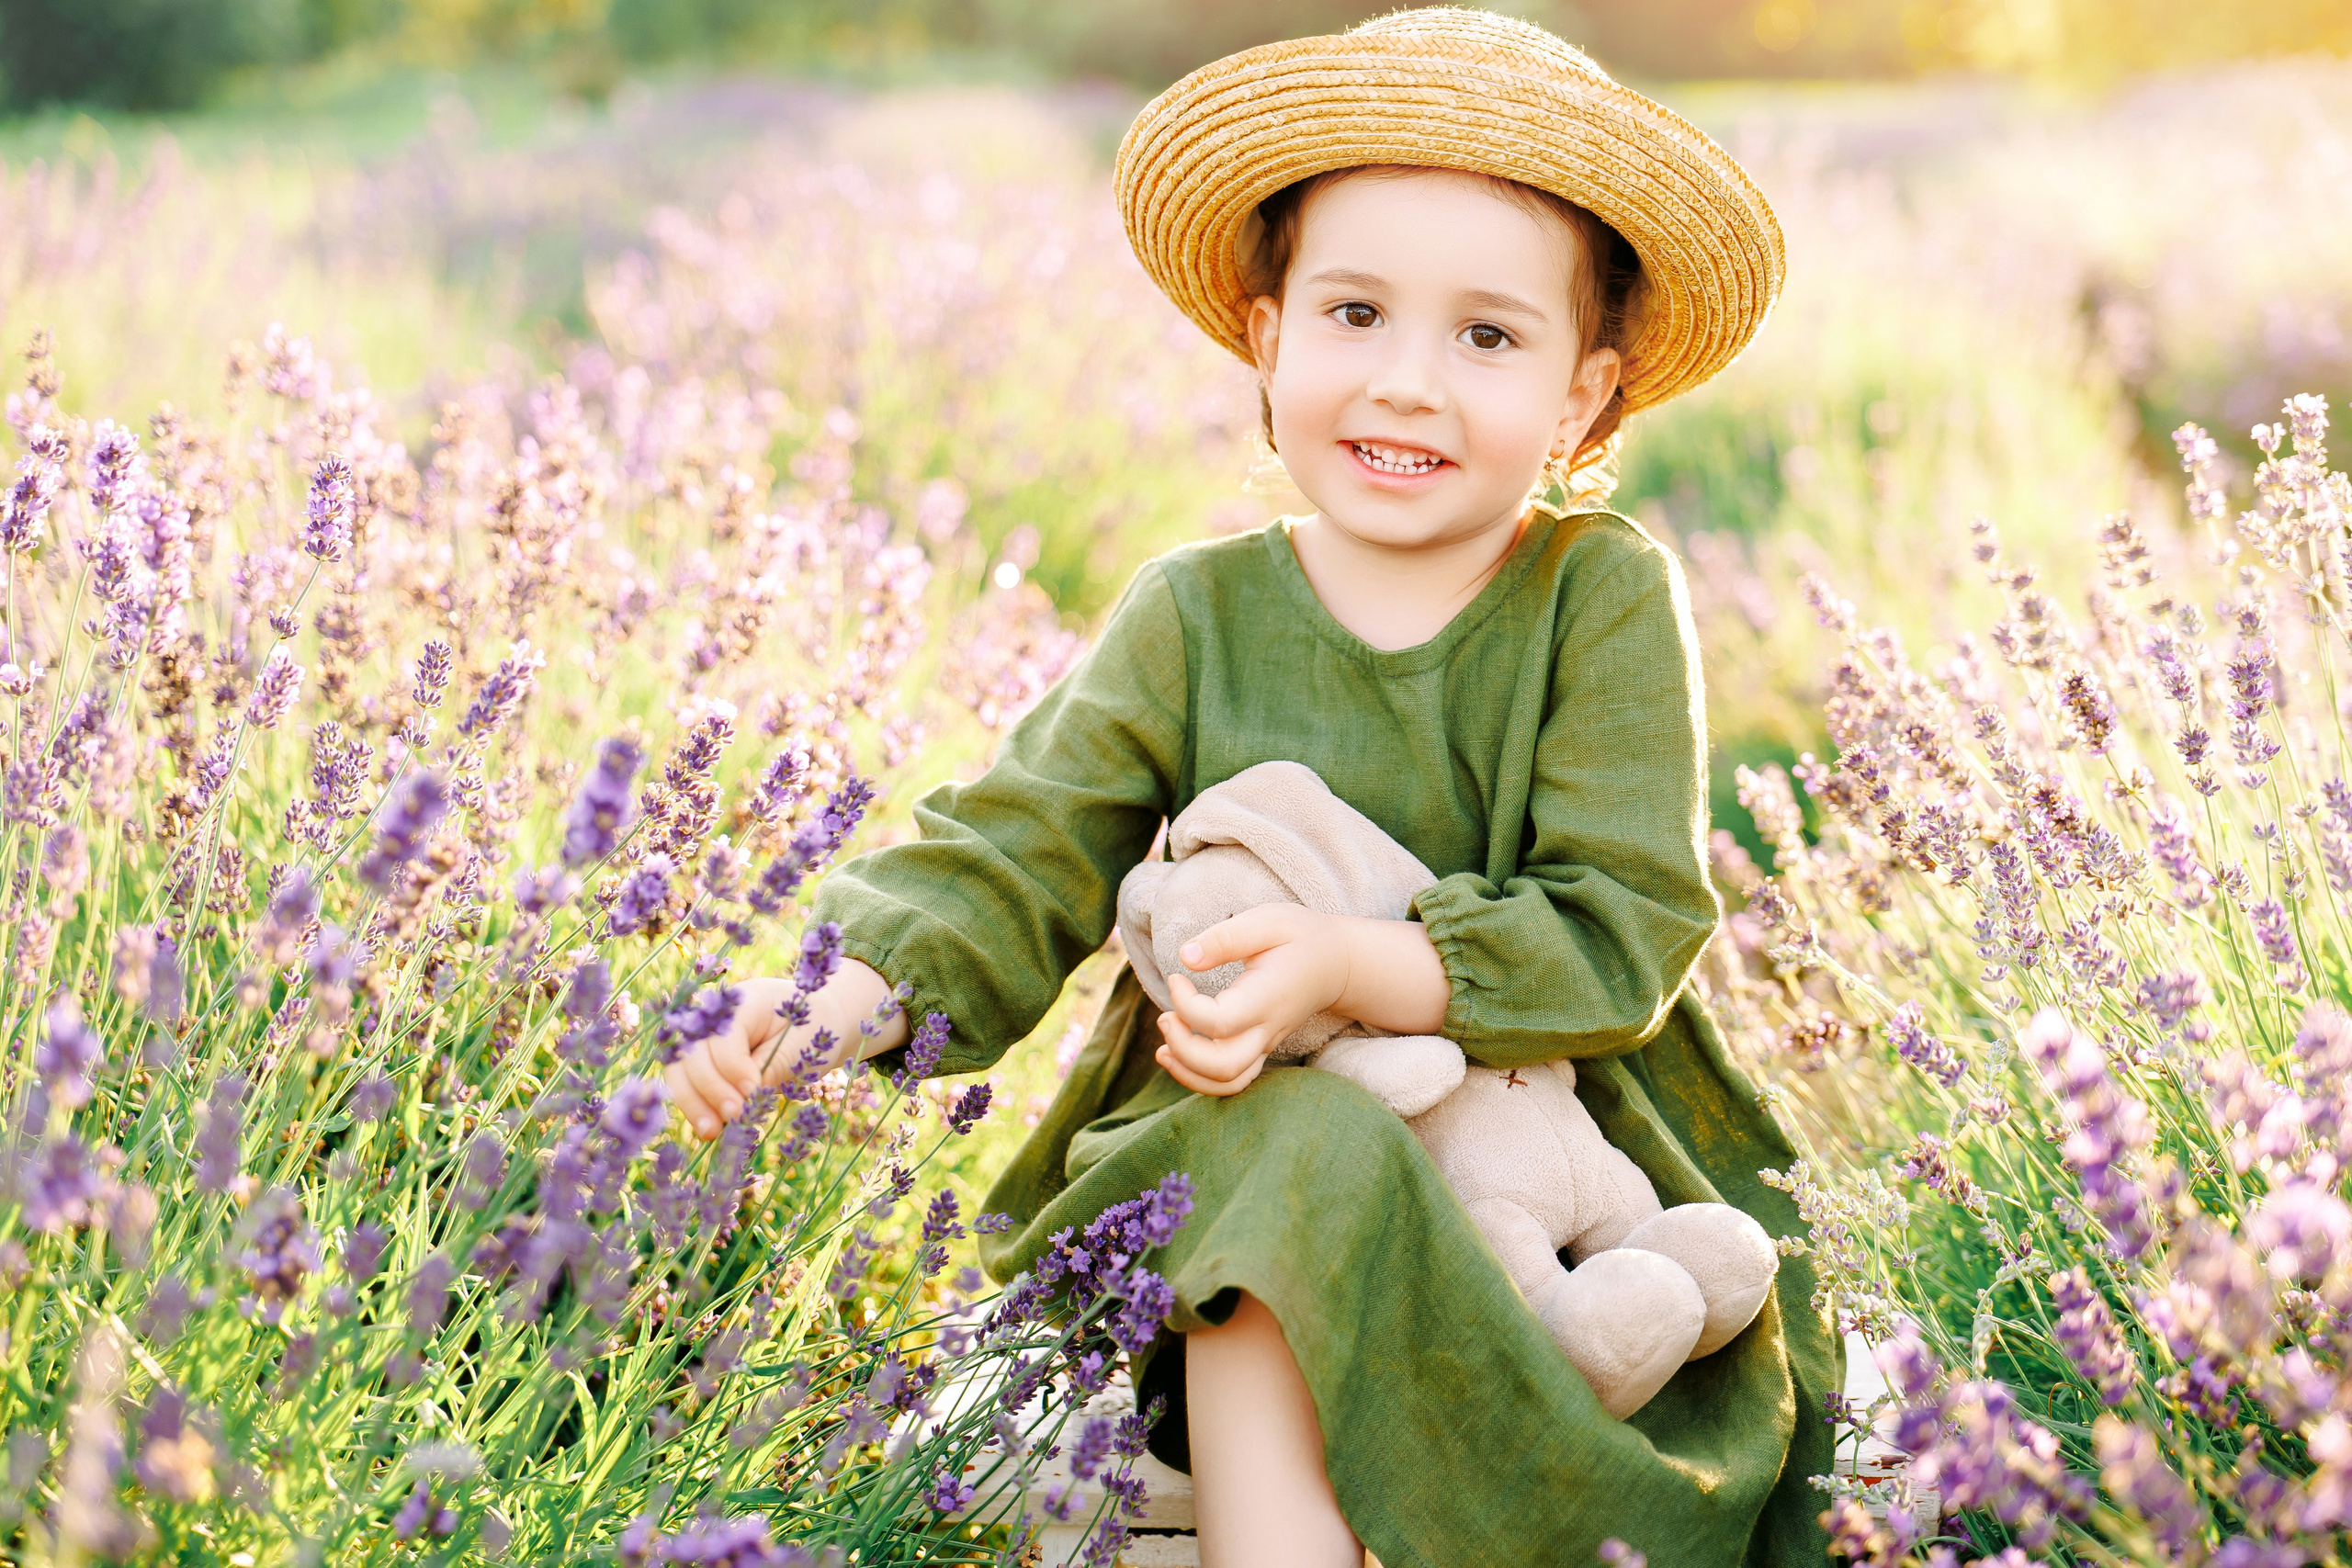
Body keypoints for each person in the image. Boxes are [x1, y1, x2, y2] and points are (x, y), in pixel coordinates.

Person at [667, 10, 1838, 1564]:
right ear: (1265, 332)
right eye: (1355, 313)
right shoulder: (1195, 611)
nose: (1408, 383)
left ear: (1581, 398)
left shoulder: (1597, 600)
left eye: (1489, 336)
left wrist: (1357, 966)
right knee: (1287, 1151)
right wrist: (835, 1002)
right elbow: (1016, 849)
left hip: (1548, 1203)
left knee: (1405, 1210)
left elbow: (1623, 920)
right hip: (1221, 1199)